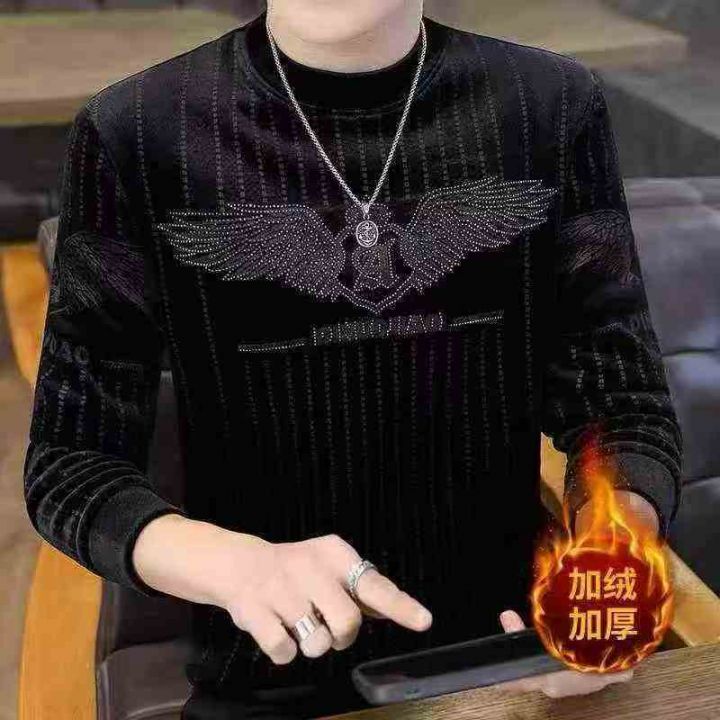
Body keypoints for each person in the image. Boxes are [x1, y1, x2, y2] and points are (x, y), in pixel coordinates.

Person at [23, 0, 682, 716]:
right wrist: (233, 566)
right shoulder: (135, 130)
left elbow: (621, 406)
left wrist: (608, 572)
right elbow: (71, 463)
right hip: (274, 683)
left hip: (518, 662)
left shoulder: (550, 103)